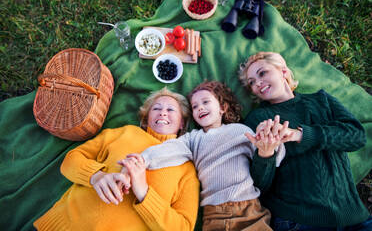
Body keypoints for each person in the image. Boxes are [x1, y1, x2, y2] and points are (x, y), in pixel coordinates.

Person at [120, 81, 289, 231]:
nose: (200, 107)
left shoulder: (240, 131)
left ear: (222, 108)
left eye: (206, 102)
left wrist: (272, 141)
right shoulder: (193, 138)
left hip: (249, 209)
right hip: (213, 215)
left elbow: (272, 156)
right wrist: (142, 160)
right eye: (194, 106)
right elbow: (168, 149)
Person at [33, 88, 200, 231]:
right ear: (146, 118)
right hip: (68, 224)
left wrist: (143, 192)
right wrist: (96, 176)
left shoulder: (186, 168)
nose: (163, 112)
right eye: (156, 108)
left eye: (171, 110)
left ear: (181, 124)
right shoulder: (124, 132)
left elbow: (183, 227)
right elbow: (70, 161)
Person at [239, 51, 372, 230]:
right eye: (251, 83)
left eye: (262, 73)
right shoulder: (258, 119)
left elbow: (357, 136)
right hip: (298, 220)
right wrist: (265, 153)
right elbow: (259, 185)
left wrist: (301, 135)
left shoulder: (321, 100)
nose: (257, 83)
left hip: (353, 216)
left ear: (283, 71)